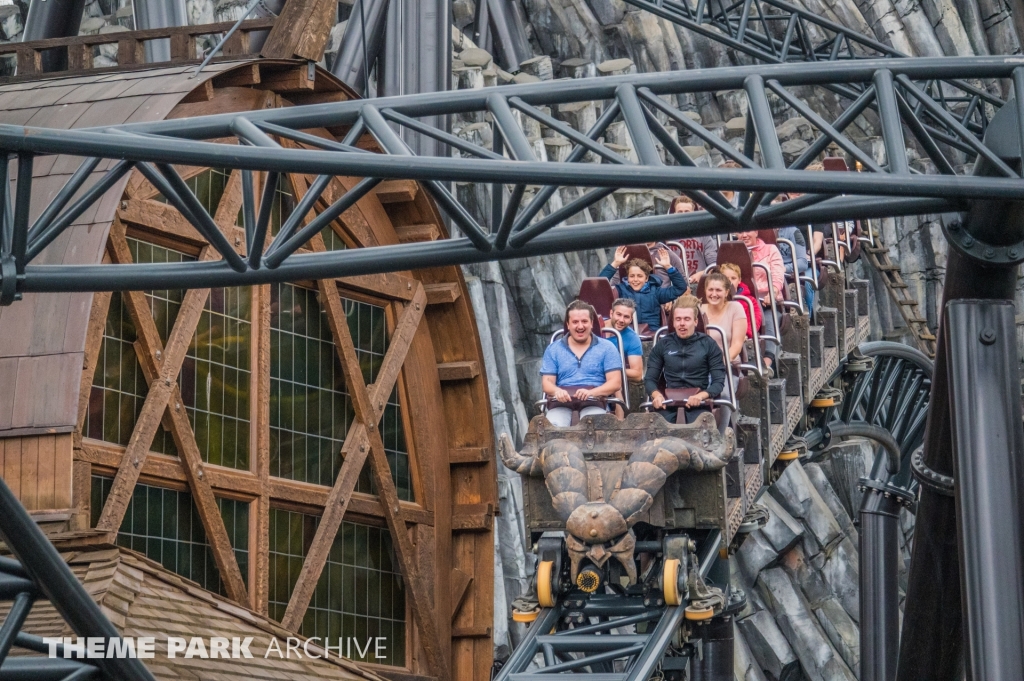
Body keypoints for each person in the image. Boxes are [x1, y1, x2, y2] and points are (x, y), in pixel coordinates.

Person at [540, 300, 623, 427]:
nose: (580, 326)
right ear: (568, 324)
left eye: (584, 321)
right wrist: (557, 391)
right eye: (575, 322)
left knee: (594, 426)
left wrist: (592, 392)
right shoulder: (554, 349)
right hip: (562, 402)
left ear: (591, 323)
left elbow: (615, 382)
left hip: (594, 400)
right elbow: (547, 383)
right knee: (554, 426)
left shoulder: (607, 348)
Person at [645, 296, 726, 424]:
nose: (682, 323)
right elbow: (650, 379)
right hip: (669, 403)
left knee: (700, 427)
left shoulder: (708, 344)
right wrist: (656, 395)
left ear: (695, 321)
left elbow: (718, 382)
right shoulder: (663, 344)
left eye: (687, 319)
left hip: (699, 403)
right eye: (678, 319)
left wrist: (701, 396)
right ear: (673, 322)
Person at [599, 247, 687, 328]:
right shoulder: (620, 290)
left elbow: (680, 288)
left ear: (646, 278)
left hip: (652, 332)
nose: (635, 279)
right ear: (627, 278)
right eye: (632, 276)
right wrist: (615, 263)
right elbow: (599, 287)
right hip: (627, 330)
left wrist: (668, 267)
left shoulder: (656, 291)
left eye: (640, 276)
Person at [736, 230, 784, 375]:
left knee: (767, 319)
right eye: (740, 232)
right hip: (742, 298)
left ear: (756, 232)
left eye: (748, 231)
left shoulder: (770, 249)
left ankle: (767, 361)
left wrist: (772, 292)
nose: (744, 235)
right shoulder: (733, 253)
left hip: (765, 299)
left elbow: (777, 275)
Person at [604, 298, 644, 417]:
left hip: (614, 378)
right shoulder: (595, 327)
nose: (621, 320)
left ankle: (620, 418)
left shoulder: (632, 338)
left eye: (626, 317)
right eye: (618, 314)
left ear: (631, 319)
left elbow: (637, 374)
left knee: (615, 380)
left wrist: (613, 371)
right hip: (590, 373)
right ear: (611, 313)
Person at [670, 196, 718, 284]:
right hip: (673, 283)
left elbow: (713, 264)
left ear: (693, 214)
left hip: (698, 283)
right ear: (674, 214)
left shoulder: (704, 235)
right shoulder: (666, 235)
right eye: (680, 212)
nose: (683, 214)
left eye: (687, 212)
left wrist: (703, 273)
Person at [700, 272, 746, 363]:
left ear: (726, 292)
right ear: (705, 291)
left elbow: (737, 345)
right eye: (710, 290)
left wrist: (719, 364)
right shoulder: (698, 310)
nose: (714, 294)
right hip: (701, 366)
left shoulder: (735, 308)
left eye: (718, 290)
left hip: (728, 365)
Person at [720, 263, 762, 341]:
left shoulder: (749, 300)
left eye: (733, 278)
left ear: (739, 280)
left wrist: (746, 333)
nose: (729, 281)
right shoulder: (716, 299)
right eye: (725, 278)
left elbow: (755, 319)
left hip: (742, 337)